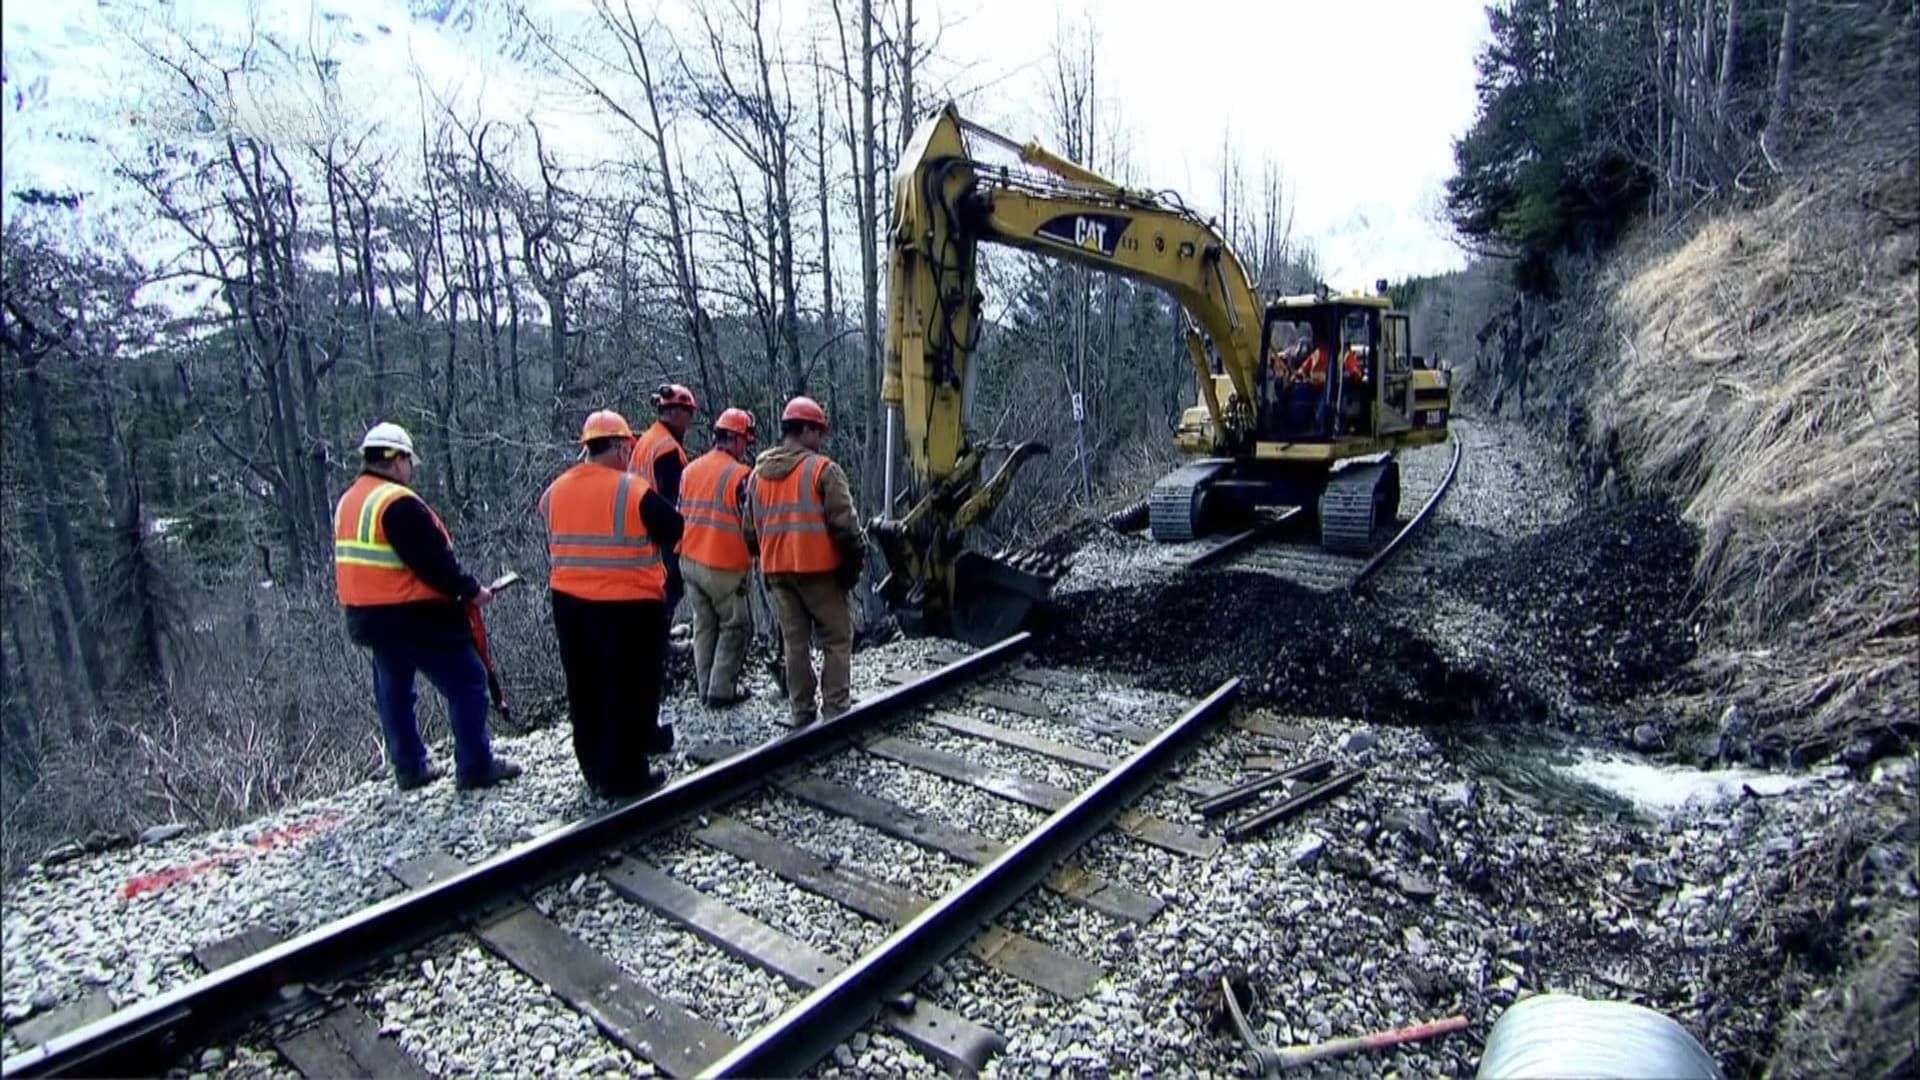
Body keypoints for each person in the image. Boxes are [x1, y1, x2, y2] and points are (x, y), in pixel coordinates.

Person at [334, 422, 521, 791]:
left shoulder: (350, 500)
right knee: (468, 681)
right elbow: (433, 563)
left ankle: (409, 767)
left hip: (368, 618)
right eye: (408, 461)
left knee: (395, 690)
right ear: (396, 460)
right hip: (413, 615)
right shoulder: (396, 503)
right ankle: (475, 765)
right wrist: (472, 591)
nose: (411, 470)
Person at [541, 410, 685, 798]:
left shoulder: (555, 490)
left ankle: (594, 769)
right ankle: (627, 776)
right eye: (628, 447)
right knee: (631, 689)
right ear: (621, 446)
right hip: (629, 606)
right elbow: (674, 528)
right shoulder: (632, 490)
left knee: (585, 689)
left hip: (569, 605)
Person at [744, 396, 865, 726]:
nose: (822, 439)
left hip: (777, 575)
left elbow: (749, 532)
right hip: (820, 572)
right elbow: (847, 529)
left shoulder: (757, 476)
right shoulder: (823, 470)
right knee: (837, 640)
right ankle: (836, 709)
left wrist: (769, 557)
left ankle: (801, 711)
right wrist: (851, 570)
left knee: (794, 644)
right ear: (806, 430)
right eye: (819, 431)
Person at [679, 407, 758, 708]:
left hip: (689, 560)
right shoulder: (741, 476)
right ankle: (721, 691)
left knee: (704, 624)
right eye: (745, 442)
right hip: (723, 564)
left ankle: (704, 689)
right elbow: (749, 522)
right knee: (736, 625)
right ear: (736, 439)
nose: (745, 448)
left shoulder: (691, 470)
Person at [630, 383, 697, 619]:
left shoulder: (648, 440)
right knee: (669, 587)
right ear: (676, 413)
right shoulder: (667, 448)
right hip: (660, 533)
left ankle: (659, 640)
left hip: (640, 529)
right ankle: (660, 643)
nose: (690, 422)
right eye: (689, 414)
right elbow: (673, 500)